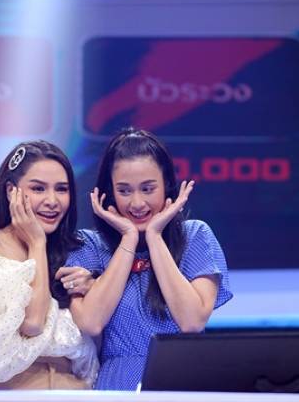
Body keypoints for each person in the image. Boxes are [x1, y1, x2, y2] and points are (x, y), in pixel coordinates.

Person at [60, 128, 232, 390]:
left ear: (167, 186)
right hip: (117, 384)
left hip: (182, 380)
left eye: (148, 189)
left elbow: (192, 321)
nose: (137, 203)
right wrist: (128, 238)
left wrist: (155, 236)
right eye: (124, 191)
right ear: (109, 193)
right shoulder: (89, 245)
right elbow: (91, 322)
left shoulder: (195, 236)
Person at [0, 141, 98, 389]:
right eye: (38, 188)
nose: (52, 200)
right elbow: (33, 323)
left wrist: (93, 284)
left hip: (72, 386)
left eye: (61, 189)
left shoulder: (77, 250)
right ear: (11, 191)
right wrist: (36, 243)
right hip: (12, 388)